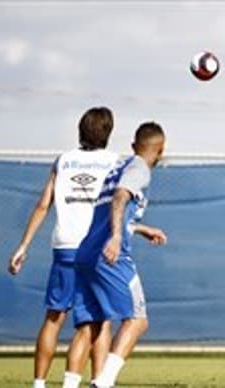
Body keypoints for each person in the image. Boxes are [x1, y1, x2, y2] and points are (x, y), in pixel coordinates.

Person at [7, 107, 119, 388]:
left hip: (65, 246)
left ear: (81, 130)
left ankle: (39, 384)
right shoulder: (115, 162)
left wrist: (23, 245)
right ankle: (97, 382)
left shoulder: (64, 161)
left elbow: (44, 204)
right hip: (96, 251)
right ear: (108, 132)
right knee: (100, 321)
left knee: (54, 318)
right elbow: (119, 205)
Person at [62, 122, 167, 388]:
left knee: (91, 325)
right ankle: (104, 382)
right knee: (138, 320)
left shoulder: (116, 169)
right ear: (161, 149)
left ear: (134, 145)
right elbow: (121, 197)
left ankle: (69, 385)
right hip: (109, 255)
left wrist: (140, 229)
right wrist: (117, 237)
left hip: (85, 252)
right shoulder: (140, 168)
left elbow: (112, 208)